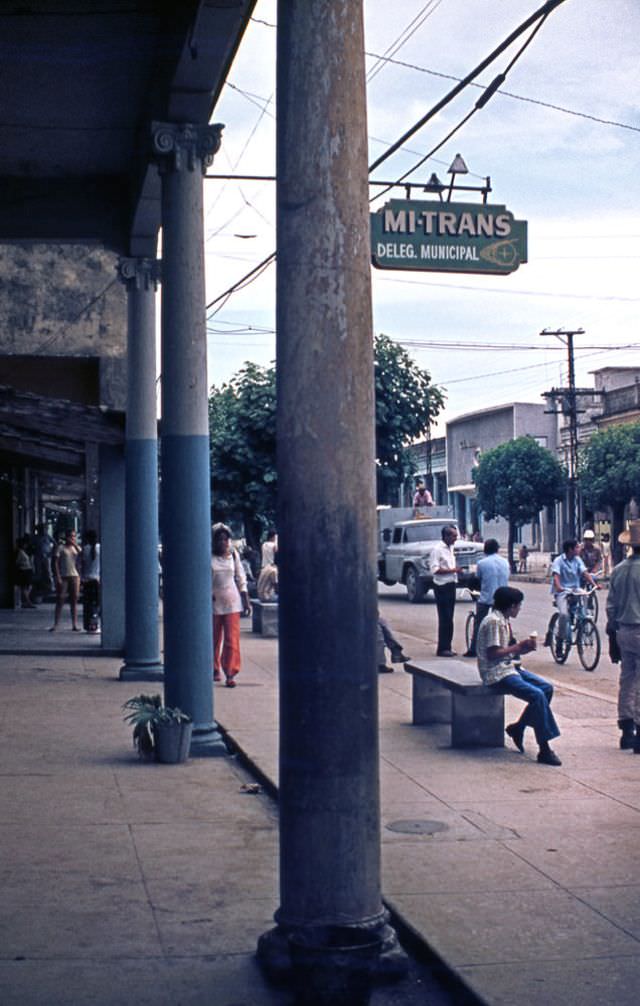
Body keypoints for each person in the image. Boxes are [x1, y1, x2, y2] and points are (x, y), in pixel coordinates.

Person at [477, 585, 562, 766]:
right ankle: (544, 748)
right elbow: (493, 654)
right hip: (496, 672)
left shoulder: (503, 620)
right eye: (518, 605)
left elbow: (509, 652)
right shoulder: (494, 622)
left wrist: (523, 649)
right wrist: (518, 647)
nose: (520, 609)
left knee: (546, 688)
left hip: (510, 667)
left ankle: (519, 726)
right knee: (536, 695)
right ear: (511, 606)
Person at [606, 520, 640, 752]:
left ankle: (626, 728)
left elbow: (610, 608)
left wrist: (612, 636)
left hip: (623, 630)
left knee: (627, 678)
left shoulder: (618, 570)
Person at [212, 523, 251, 687]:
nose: (223, 543)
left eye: (225, 539)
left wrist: (246, 599)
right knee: (213, 638)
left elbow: (241, 576)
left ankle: (230, 672)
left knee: (231, 639)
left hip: (232, 602)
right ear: (214, 541)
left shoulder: (233, 555)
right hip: (213, 601)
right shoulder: (209, 556)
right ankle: (214, 669)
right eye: (219, 540)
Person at [547, 539, 599, 653]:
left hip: (575, 589)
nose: (579, 548)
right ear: (570, 549)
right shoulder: (558, 561)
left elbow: (585, 573)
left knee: (584, 597)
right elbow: (556, 576)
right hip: (563, 591)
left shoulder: (577, 559)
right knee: (564, 615)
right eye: (577, 547)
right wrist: (559, 587)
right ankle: (559, 640)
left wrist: (594, 584)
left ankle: (583, 620)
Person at [464, 538, 509, 657]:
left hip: (486, 598)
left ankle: (473, 649)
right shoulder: (505, 562)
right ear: (497, 549)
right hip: (503, 597)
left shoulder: (482, 563)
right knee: (504, 623)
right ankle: (509, 646)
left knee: (479, 623)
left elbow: (478, 579)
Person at [432, 524, 463, 657]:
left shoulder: (450, 548)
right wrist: (453, 570)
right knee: (445, 617)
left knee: (449, 618)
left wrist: (455, 569)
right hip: (442, 585)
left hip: (451, 584)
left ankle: (447, 646)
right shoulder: (437, 550)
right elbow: (435, 569)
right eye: (453, 536)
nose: (455, 538)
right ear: (446, 536)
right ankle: (442, 648)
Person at [50, 528, 81, 631]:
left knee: (74, 600)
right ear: (67, 537)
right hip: (64, 576)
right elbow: (55, 563)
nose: (72, 538)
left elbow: (82, 557)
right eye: (71, 536)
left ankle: (74, 624)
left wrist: (75, 545)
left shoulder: (76, 548)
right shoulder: (60, 548)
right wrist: (57, 576)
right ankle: (56, 624)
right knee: (60, 599)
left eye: (74, 536)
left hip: (75, 575)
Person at [81, 529, 101, 632]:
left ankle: (89, 625)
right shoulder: (100, 548)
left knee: (88, 603)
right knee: (96, 603)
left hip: (87, 580)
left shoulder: (85, 549)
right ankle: (95, 624)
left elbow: (82, 565)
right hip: (97, 580)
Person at [14, 537, 36, 608]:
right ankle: (28, 602)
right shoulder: (20, 552)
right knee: (25, 587)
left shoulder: (24, 551)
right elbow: (17, 562)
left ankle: (26, 601)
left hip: (27, 570)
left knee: (29, 586)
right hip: (23, 570)